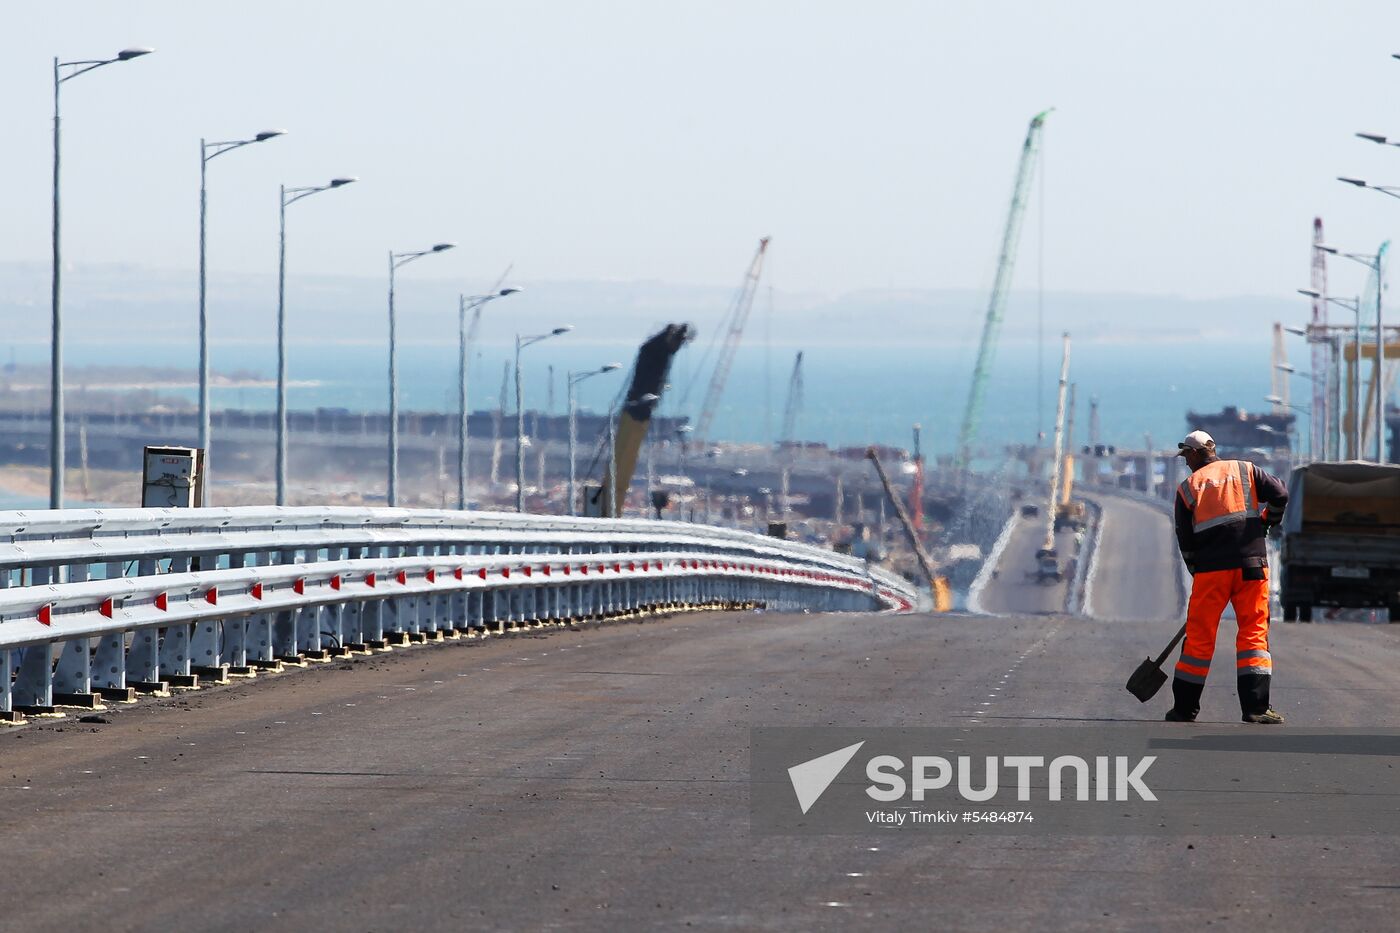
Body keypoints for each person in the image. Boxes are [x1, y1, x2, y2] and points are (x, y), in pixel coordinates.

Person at [1167, 430, 1289, 724]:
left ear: (1197, 454)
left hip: (1212, 572)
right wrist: (1267, 522)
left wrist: (1197, 572)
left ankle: (1184, 709)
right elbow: (1280, 495)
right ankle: (1256, 708)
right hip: (1252, 567)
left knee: (1198, 639)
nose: (1185, 463)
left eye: (1187, 456)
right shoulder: (1246, 470)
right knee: (1254, 634)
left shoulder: (1188, 488)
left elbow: (1185, 541)